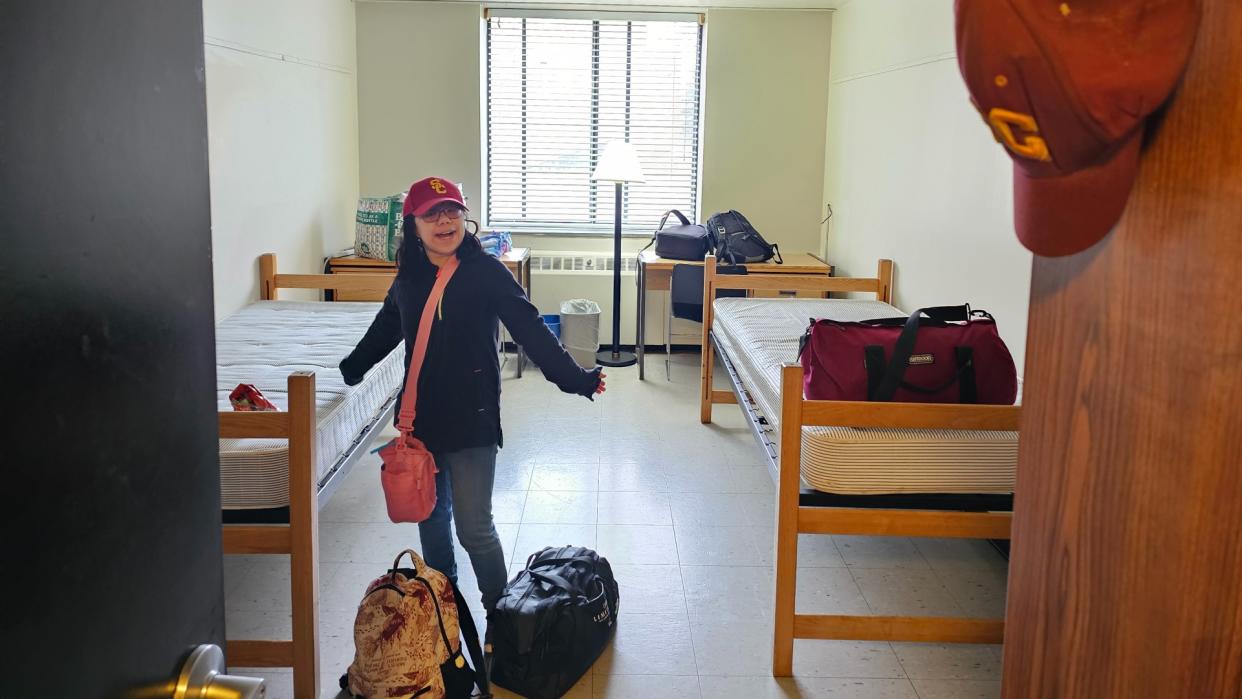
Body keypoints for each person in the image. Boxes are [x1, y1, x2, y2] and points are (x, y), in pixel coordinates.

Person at [340, 176, 605, 611]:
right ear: (414, 224)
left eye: (453, 210)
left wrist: (576, 378)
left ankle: (500, 615)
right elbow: (386, 329)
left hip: (473, 418)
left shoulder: (486, 273)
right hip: (420, 420)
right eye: (431, 213)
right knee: (430, 520)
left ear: (466, 218)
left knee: (474, 527)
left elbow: (531, 329)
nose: (444, 220)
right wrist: (352, 368)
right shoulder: (408, 278)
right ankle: (445, 611)